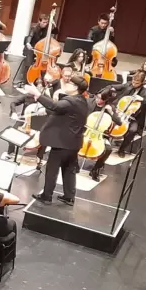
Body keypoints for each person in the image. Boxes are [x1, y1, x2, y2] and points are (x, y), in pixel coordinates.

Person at [25, 75, 89, 205]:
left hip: (62, 144)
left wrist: (37, 94)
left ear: (76, 88)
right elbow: (59, 110)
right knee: (69, 169)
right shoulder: (82, 101)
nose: (67, 84)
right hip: (74, 143)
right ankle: (69, 197)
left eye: (70, 83)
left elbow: (55, 106)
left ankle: (46, 196)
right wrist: (42, 102)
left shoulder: (71, 101)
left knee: (52, 169)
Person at [86, 87, 122, 181]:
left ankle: (95, 169)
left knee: (108, 149)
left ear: (106, 100)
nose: (98, 100)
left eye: (101, 99)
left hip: (100, 135)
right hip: (85, 131)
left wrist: (110, 111)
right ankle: (73, 164)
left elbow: (119, 122)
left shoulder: (110, 107)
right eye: (97, 97)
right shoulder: (89, 102)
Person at [112, 71, 146, 157]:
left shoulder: (144, 92)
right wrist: (111, 88)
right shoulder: (128, 85)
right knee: (109, 121)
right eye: (133, 81)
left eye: (137, 83)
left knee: (132, 130)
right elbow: (119, 87)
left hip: (133, 117)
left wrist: (142, 99)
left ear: (142, 82)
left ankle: (121, 149)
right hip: (120, 112)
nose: (134, 84)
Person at [16, 13, 57, 84]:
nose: (45, 24)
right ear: (39, 21)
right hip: (31, 48)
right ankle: (25, 80)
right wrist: (28, 43)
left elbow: (56, 32)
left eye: (47, 22)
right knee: (29, 63)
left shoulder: (48, 28)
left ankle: (40, 80)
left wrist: (54, 24)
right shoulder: (34, 27)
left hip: (41, 50)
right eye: (44, 22)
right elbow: (30, 36)